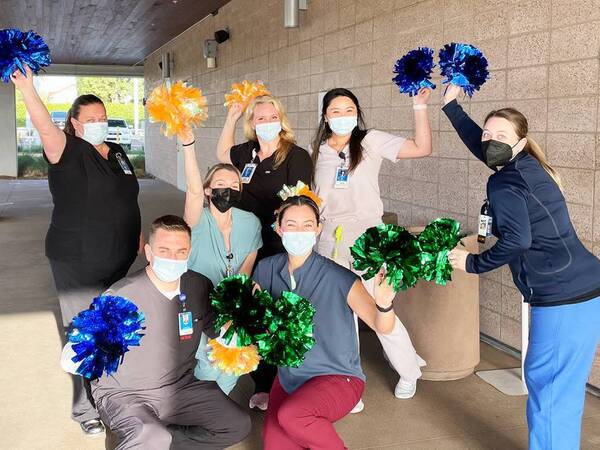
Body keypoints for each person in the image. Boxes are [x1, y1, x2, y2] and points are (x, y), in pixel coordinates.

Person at [443, 84, 600, 450]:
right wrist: (451, 106)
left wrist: (472, 263)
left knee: (548, 385)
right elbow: (482, 146)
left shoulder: (506, 183)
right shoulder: (523, 164)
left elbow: (517, 242)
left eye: (501, 136)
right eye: (487, 134)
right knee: (560, 387)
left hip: (564, 297)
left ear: (519, 142)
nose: (489, 141)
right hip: (582, 288)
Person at [11, 67, 142, 435]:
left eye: (103, 117)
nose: (100, 123)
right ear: (75, 123)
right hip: (77, 260)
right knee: (84, 331)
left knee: (115, 327)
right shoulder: (67, 151)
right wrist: (28, 90)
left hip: (119, 255)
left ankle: (112, 396)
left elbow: (127, 195)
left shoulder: (116, 152)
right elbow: (44, 127)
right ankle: (85, 410)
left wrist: (139, 231)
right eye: (92, 119)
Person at [311, 87, 432, 408]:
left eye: (349, 109)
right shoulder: (317, 151)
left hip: (368, 239)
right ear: (325, 116)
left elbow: (422, 148)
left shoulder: (369, 141)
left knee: (380, 306)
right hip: (328, 241)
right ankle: (346, 381)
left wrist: (419, 107)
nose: (342, 116)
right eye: (335, 111)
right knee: (336, 316)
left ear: (357, 113)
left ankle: (408, 370)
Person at [91, 215, 251, 450]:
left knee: (237, 424)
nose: (173, 258)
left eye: (180, 251)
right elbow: (89, 350)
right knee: (151, 437)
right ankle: (142, 437)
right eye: (164, 250)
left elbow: (214, 325)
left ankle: (156, 440)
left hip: (179, 387)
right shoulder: (120, 296)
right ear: (148, 252)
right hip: (126, 393)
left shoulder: (197, 285)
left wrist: (236, 335)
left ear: (189, 251)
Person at [254, 194, 397, 450]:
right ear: (279, 227)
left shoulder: (340, 277)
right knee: (275, 445)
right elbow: (257, 320)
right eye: (291, 224)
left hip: (337, 377)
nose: (300, 232)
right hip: (289, 379)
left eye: (308, 225)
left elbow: (381, 325)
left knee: (294, 416)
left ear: (318, 229)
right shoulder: (265, 269)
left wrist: (384, 303)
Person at [216, 95, 312, 408]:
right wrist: (230, 118)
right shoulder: (246, 152)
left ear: (281, 120)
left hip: (276, 245)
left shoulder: (295, 155)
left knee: (280, 313)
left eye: (272, 117)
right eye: (260, 118)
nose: (267, 122)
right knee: (253, 310)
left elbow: (299, 200)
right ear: (252, 123)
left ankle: (288, 382)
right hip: (245, 241)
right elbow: (222, 156)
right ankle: (262, 384)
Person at [179, 129, 262, 394]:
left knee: (233, 363)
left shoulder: (250, 223)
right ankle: (204, 408)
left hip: (233, 308)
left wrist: (242, 297)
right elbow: (192, 191)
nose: (228, 189)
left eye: (234, 185)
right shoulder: (196, 221)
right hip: (200, 306)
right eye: (220, 184)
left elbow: (248, 265)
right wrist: (188, 144)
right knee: (208, 365)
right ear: (208, 190)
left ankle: (216, 411)